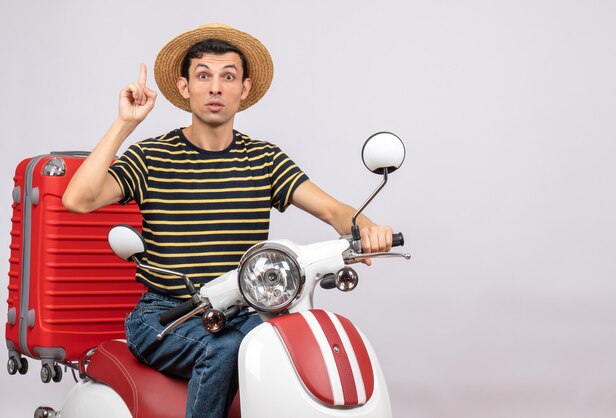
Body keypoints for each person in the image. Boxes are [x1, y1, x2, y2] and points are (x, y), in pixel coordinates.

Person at [63, 23, 393, 418]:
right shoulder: (151, 157)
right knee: (221, 349)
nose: (215, 87)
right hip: (166, 315)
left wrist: (366, 228)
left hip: (243, 311)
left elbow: (333, 210)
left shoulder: (263, 159)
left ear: (245, 88)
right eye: (203, 75)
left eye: (228, 77)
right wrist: (125, 123)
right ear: (185, 87)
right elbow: (77, 199)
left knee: (297, 342)